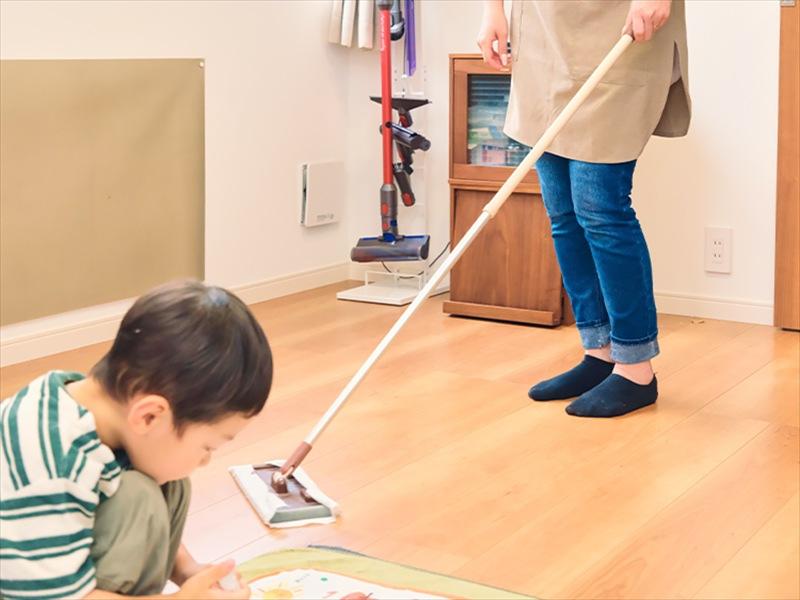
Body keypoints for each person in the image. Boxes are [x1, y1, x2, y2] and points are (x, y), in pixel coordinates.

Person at [477, 0, 691, 418]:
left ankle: (635, 368)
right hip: (543, 30)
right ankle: (600, 352)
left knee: (600, 207)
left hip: (618, 23)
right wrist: (492, 10)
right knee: (563, 211)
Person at [1, 281, 273, 598]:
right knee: (141, 496)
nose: (205, 460)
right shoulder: (48, 463)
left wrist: (187, 570)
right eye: (207, 447)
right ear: (149, 416)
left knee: (168, 482)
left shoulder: (102, 412)